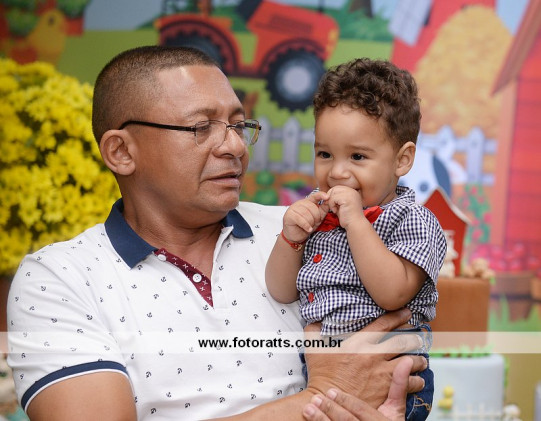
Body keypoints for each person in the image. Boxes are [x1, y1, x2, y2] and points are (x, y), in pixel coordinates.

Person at [7, 46, 427, 421]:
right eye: (201, 127)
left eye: (238, 126)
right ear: (121, 151)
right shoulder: (61, 279)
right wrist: (322, 396)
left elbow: (393, 364)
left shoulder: (305, 232)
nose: (235, 147)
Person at [265, 58, 447, 420]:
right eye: (324, 154)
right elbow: (280, 290)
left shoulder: (412, 219)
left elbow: (392, 294)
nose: (337, 172)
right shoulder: (318, 215)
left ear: (402, 160)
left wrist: (356, 223)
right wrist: (291, 239)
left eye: (358, 156)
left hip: (392, 373)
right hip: (321, 369)